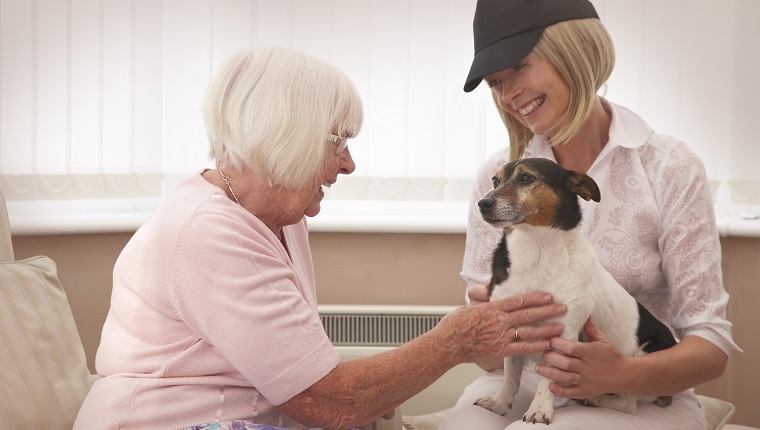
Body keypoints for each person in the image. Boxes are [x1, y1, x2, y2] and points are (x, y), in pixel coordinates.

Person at [73, 46, 568, 430]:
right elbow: (327, 401)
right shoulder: (206, 231)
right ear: (284, 133)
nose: (349, 164)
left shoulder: (280, 217)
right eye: (339, 142)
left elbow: (312, 385)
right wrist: (457, 339)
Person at [438, 0, 741, 429]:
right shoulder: (496, 176)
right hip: (522, 381)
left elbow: (710, 346)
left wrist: (622, 374)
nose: (507, 95)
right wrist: (482, 332)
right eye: (495, 82)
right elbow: (490, 360)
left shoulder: (669, 168)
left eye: (519, 67)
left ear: (574, 50)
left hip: (636, 388)